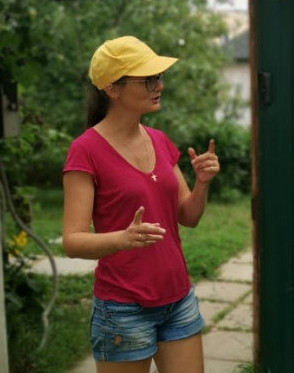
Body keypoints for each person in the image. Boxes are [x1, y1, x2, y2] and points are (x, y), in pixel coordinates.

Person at [62, 36, 220, 373]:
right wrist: (121, 239)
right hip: (122, 309)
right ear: (112, 89)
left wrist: (202, 185)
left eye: (159, 77)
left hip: (178, 299)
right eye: (147, 79)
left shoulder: (160, 140)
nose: (158, 85)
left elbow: (188, 216)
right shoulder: (85, 150)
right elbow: (72, 241)